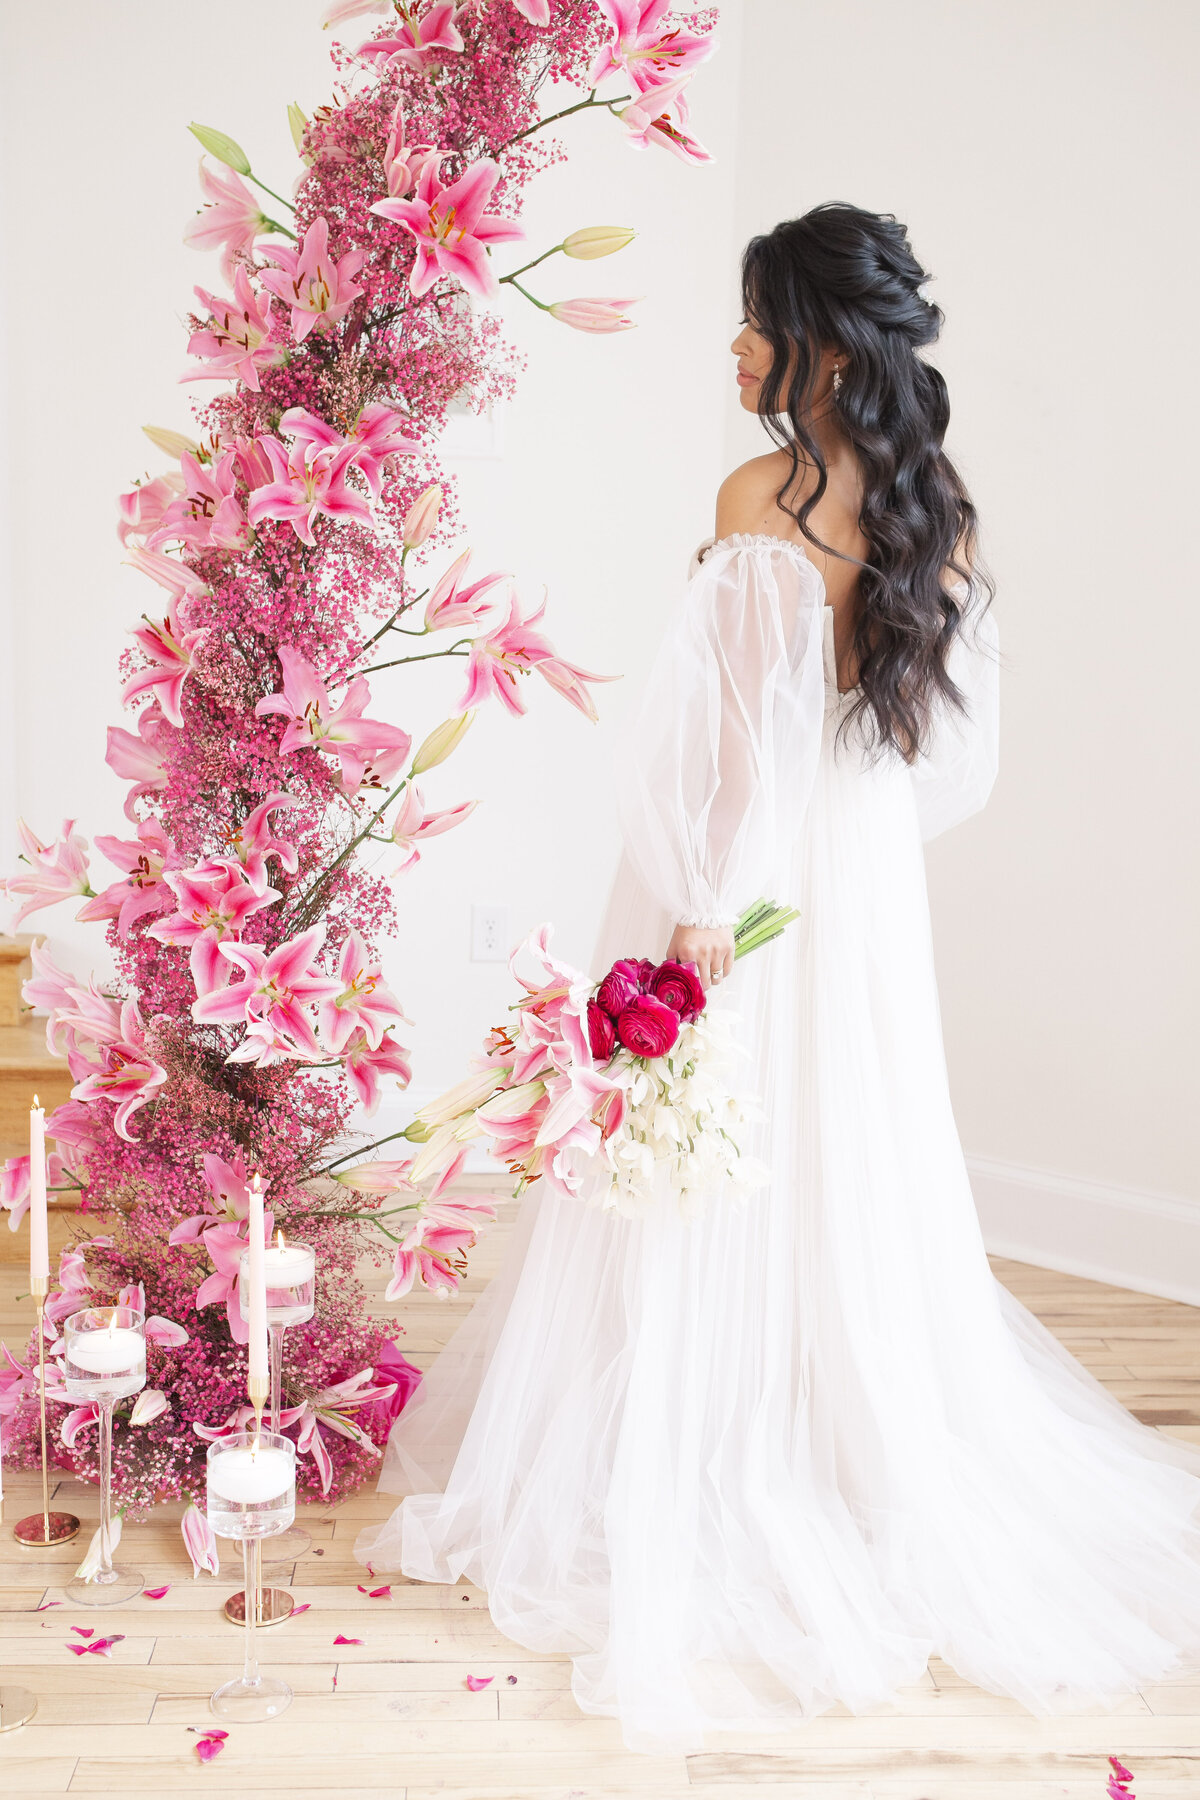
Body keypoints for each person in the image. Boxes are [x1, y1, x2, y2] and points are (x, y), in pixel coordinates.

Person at [358, 203, 1200, 1754]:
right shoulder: (932, 504)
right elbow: (930, 762)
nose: (732, 346)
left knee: (700, 1153)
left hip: (748, 878)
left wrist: (695, 911)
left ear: (812, 341)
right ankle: (833, 1434)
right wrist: (826, 839)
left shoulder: (762, 492)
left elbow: (734, 753)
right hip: (864, 882)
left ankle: (707, 1438)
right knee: (840, 1143)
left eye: (750, 319)